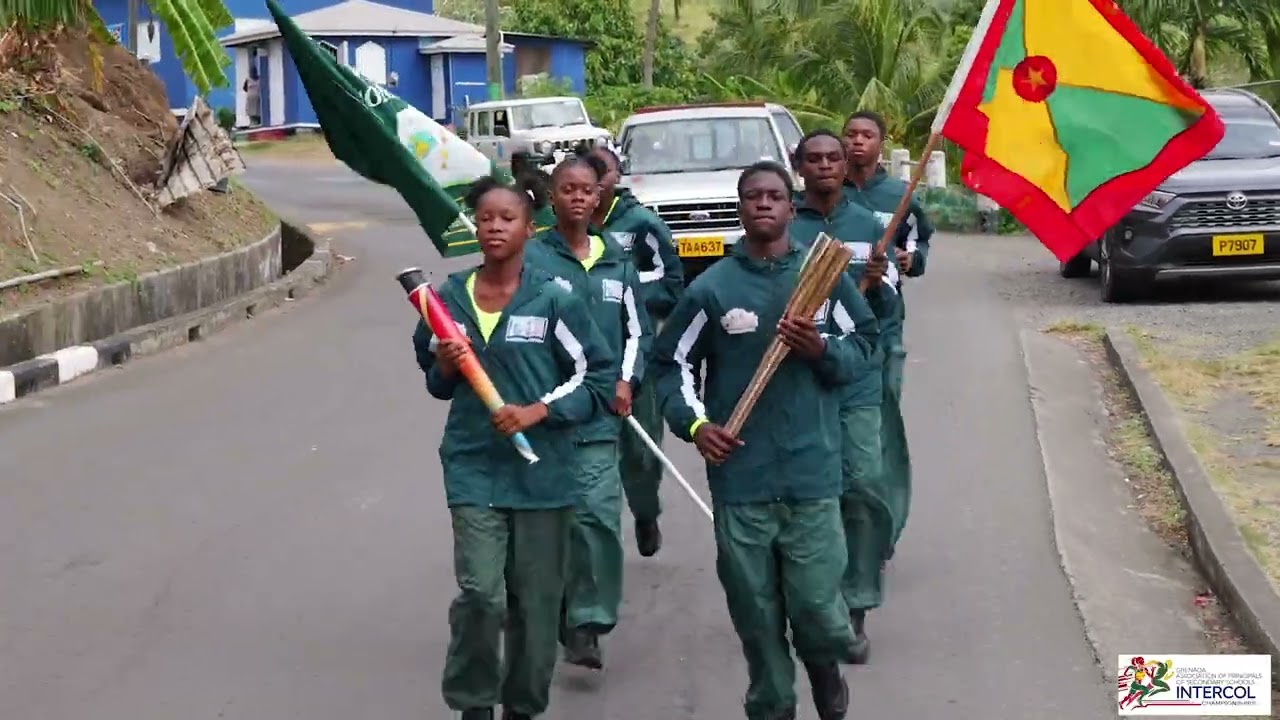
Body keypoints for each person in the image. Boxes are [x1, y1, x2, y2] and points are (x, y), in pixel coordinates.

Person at [651, 161, 879, 720]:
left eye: (775, 195)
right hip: (741, 480)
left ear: (789, 203)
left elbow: (865, 344)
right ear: (740, 206)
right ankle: (773, 702)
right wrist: (697, 426)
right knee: (755, 613)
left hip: (811, 473)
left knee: (819, 611)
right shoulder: (712, 288)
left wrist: (821, 351)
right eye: (753, 196)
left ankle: (824, 668)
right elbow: (670, 367)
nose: (764, 204)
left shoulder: (824, 277)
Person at [412, 175, 616, 720]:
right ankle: (474, 702)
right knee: (482, 594)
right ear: (474, 227)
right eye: (486, 218)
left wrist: (539, 410)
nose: (495, 227)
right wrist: (444, 364)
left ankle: (523, 706)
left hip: (544, 473)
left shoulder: (554, 299)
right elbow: (436, 383)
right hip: (473, 465)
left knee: (535, 604)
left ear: (530, 228)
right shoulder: (446, 300)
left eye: (507, 218)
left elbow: (597, 378)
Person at [524, 155, 653, 671]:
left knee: (597, 515)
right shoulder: (531, 259)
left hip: (599, 413)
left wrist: (626, 379)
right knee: (551, 522)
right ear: (552, 198)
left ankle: (587, 621)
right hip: (542, 412)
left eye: (587, 190)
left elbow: (638, 331)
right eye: (567, 189)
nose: (578, 197)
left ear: (599, 198)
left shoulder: (617, 263)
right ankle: (549, 607)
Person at [788, 130, 892, 664]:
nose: (827, 165)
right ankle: (808, 598)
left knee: (862, 484)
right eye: (815, 159)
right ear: (798, 167)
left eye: (834, 157)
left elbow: (888, 313)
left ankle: (856, 604)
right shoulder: (786, 226)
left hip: (855, 380)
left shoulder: (872, 225)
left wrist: (881, 279)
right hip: (798, 382)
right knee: (813, 496)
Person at [841, 110, 935, 558]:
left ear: (881, 143)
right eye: (851, 134)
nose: (857, 142)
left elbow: (919, 248)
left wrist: (908, 261)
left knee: (881, 428)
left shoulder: (900, 196)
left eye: (867, 135)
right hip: (833, 335)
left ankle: (885, 523)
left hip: (884, 330)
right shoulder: (827, 196)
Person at [584, 144, 684, 558]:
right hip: (585, 359)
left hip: (637, 349)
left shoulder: (642, 225)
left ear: (617, 177)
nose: (595, 184)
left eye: (603, 173)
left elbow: (672, 283)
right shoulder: (561, 229)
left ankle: (646, 512)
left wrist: (625, 293)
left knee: (640, 451)